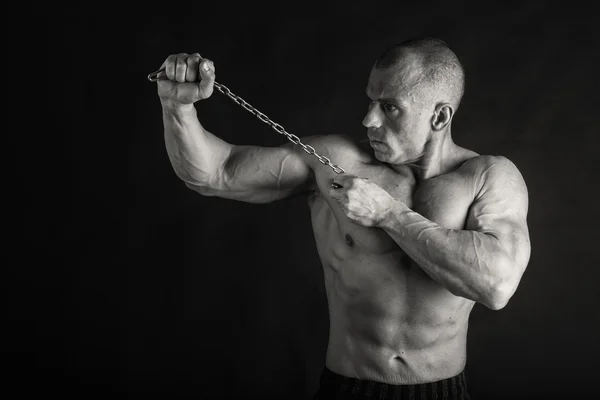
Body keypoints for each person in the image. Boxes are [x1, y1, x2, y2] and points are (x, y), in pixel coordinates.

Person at [154, 37, 531, 399]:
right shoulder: (336, 161)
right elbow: (214, 173)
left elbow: (495, 285)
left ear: (440, 116)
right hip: (349, 388)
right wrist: (177, 109)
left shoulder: (487, 178)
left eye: (390, 107)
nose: (369, 120)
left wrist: (388, 213)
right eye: (370, 101)